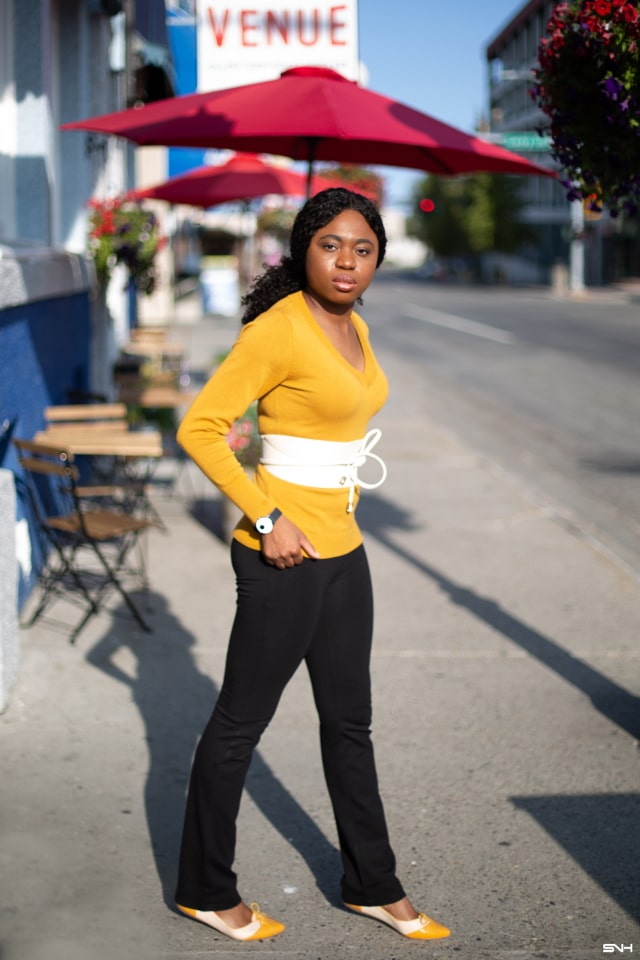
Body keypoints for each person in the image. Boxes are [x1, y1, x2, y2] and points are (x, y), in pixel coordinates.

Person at [173, 188, 451, 944]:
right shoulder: (278, 328)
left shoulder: (355, 326)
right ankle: (203, 887)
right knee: (239, 725)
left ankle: (372, 883)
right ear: (303, 247)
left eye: (363, 249)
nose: (347, 261)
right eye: (331, 244)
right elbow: (199, 429)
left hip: (344, 551)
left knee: (350, 724)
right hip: (282, 554)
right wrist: (267, 517)